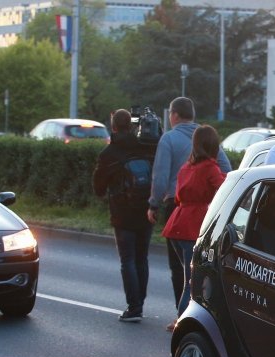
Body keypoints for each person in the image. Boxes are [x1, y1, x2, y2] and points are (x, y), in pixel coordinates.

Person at [147, 97, 232, 329]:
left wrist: (154, 203)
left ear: (173, 115)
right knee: (194, 277)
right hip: (197, 221)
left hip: (176, 217)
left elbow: (162, 177)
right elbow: (228, 174)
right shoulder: (210, 164)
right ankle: (185, 320)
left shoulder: (180, 156)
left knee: (180, 272)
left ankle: (182, 313)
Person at [93, 108, 157, 323]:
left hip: (122, 213)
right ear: (131, 125)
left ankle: (134, 307)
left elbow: (98, 187)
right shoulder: (147, 147)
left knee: (127, 259)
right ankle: (140, 301)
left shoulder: (109, 153)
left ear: (113, 127)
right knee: (142, 258)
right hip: (147, 210)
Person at [161, 125, 227, 329]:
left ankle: (182, 318)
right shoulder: (210, 168)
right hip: (193, 226)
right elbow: (224, 189)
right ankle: (181, 322)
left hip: (176, 224)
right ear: (214, 145)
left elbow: (179, 196)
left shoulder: (186, 167)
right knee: (193, 282)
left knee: (187, 277)